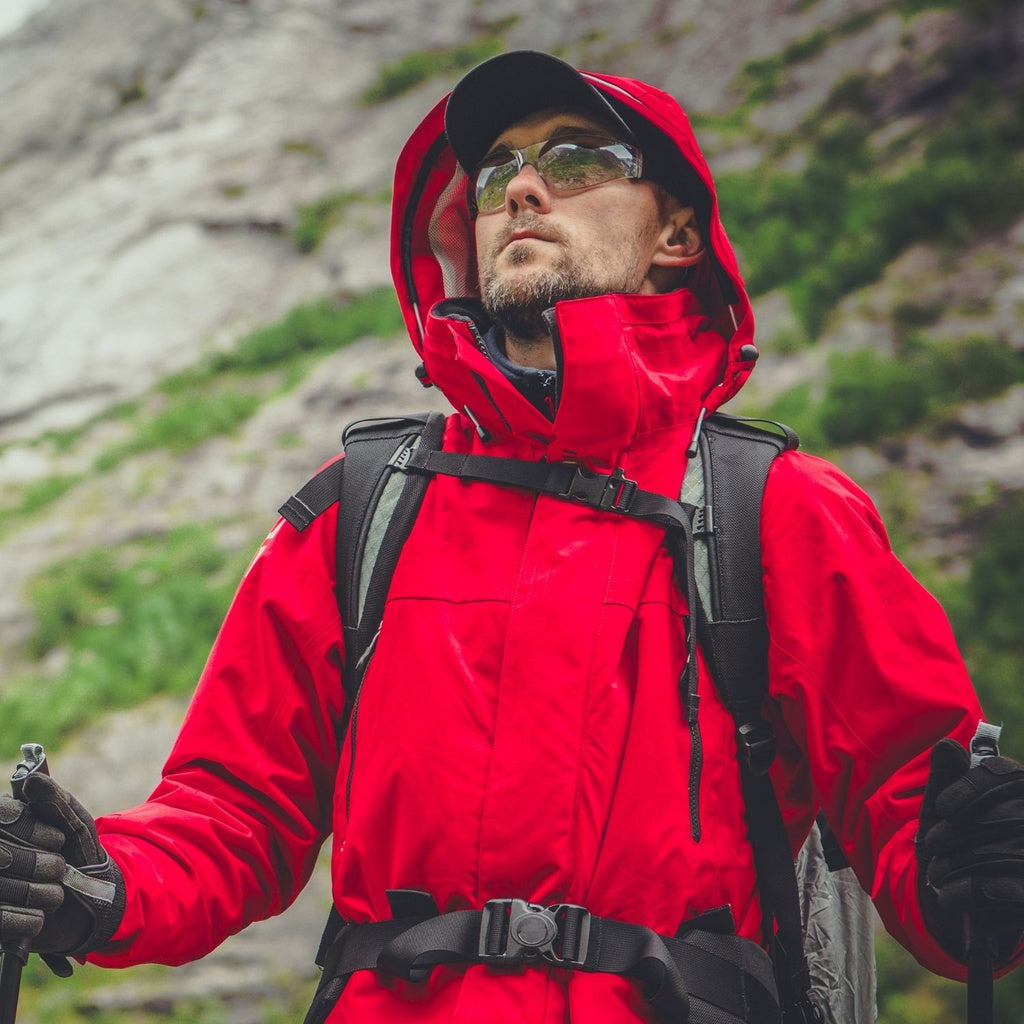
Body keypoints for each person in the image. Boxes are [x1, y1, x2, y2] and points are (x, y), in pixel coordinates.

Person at [2, 49, 1024, 1024]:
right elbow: (231, 818)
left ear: (676, 234)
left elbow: (914, 813)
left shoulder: (787, 510)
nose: (524, 190)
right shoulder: (360, 506)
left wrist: (978, 872)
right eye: (497, 173)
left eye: (577, 160)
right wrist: (95, 882)